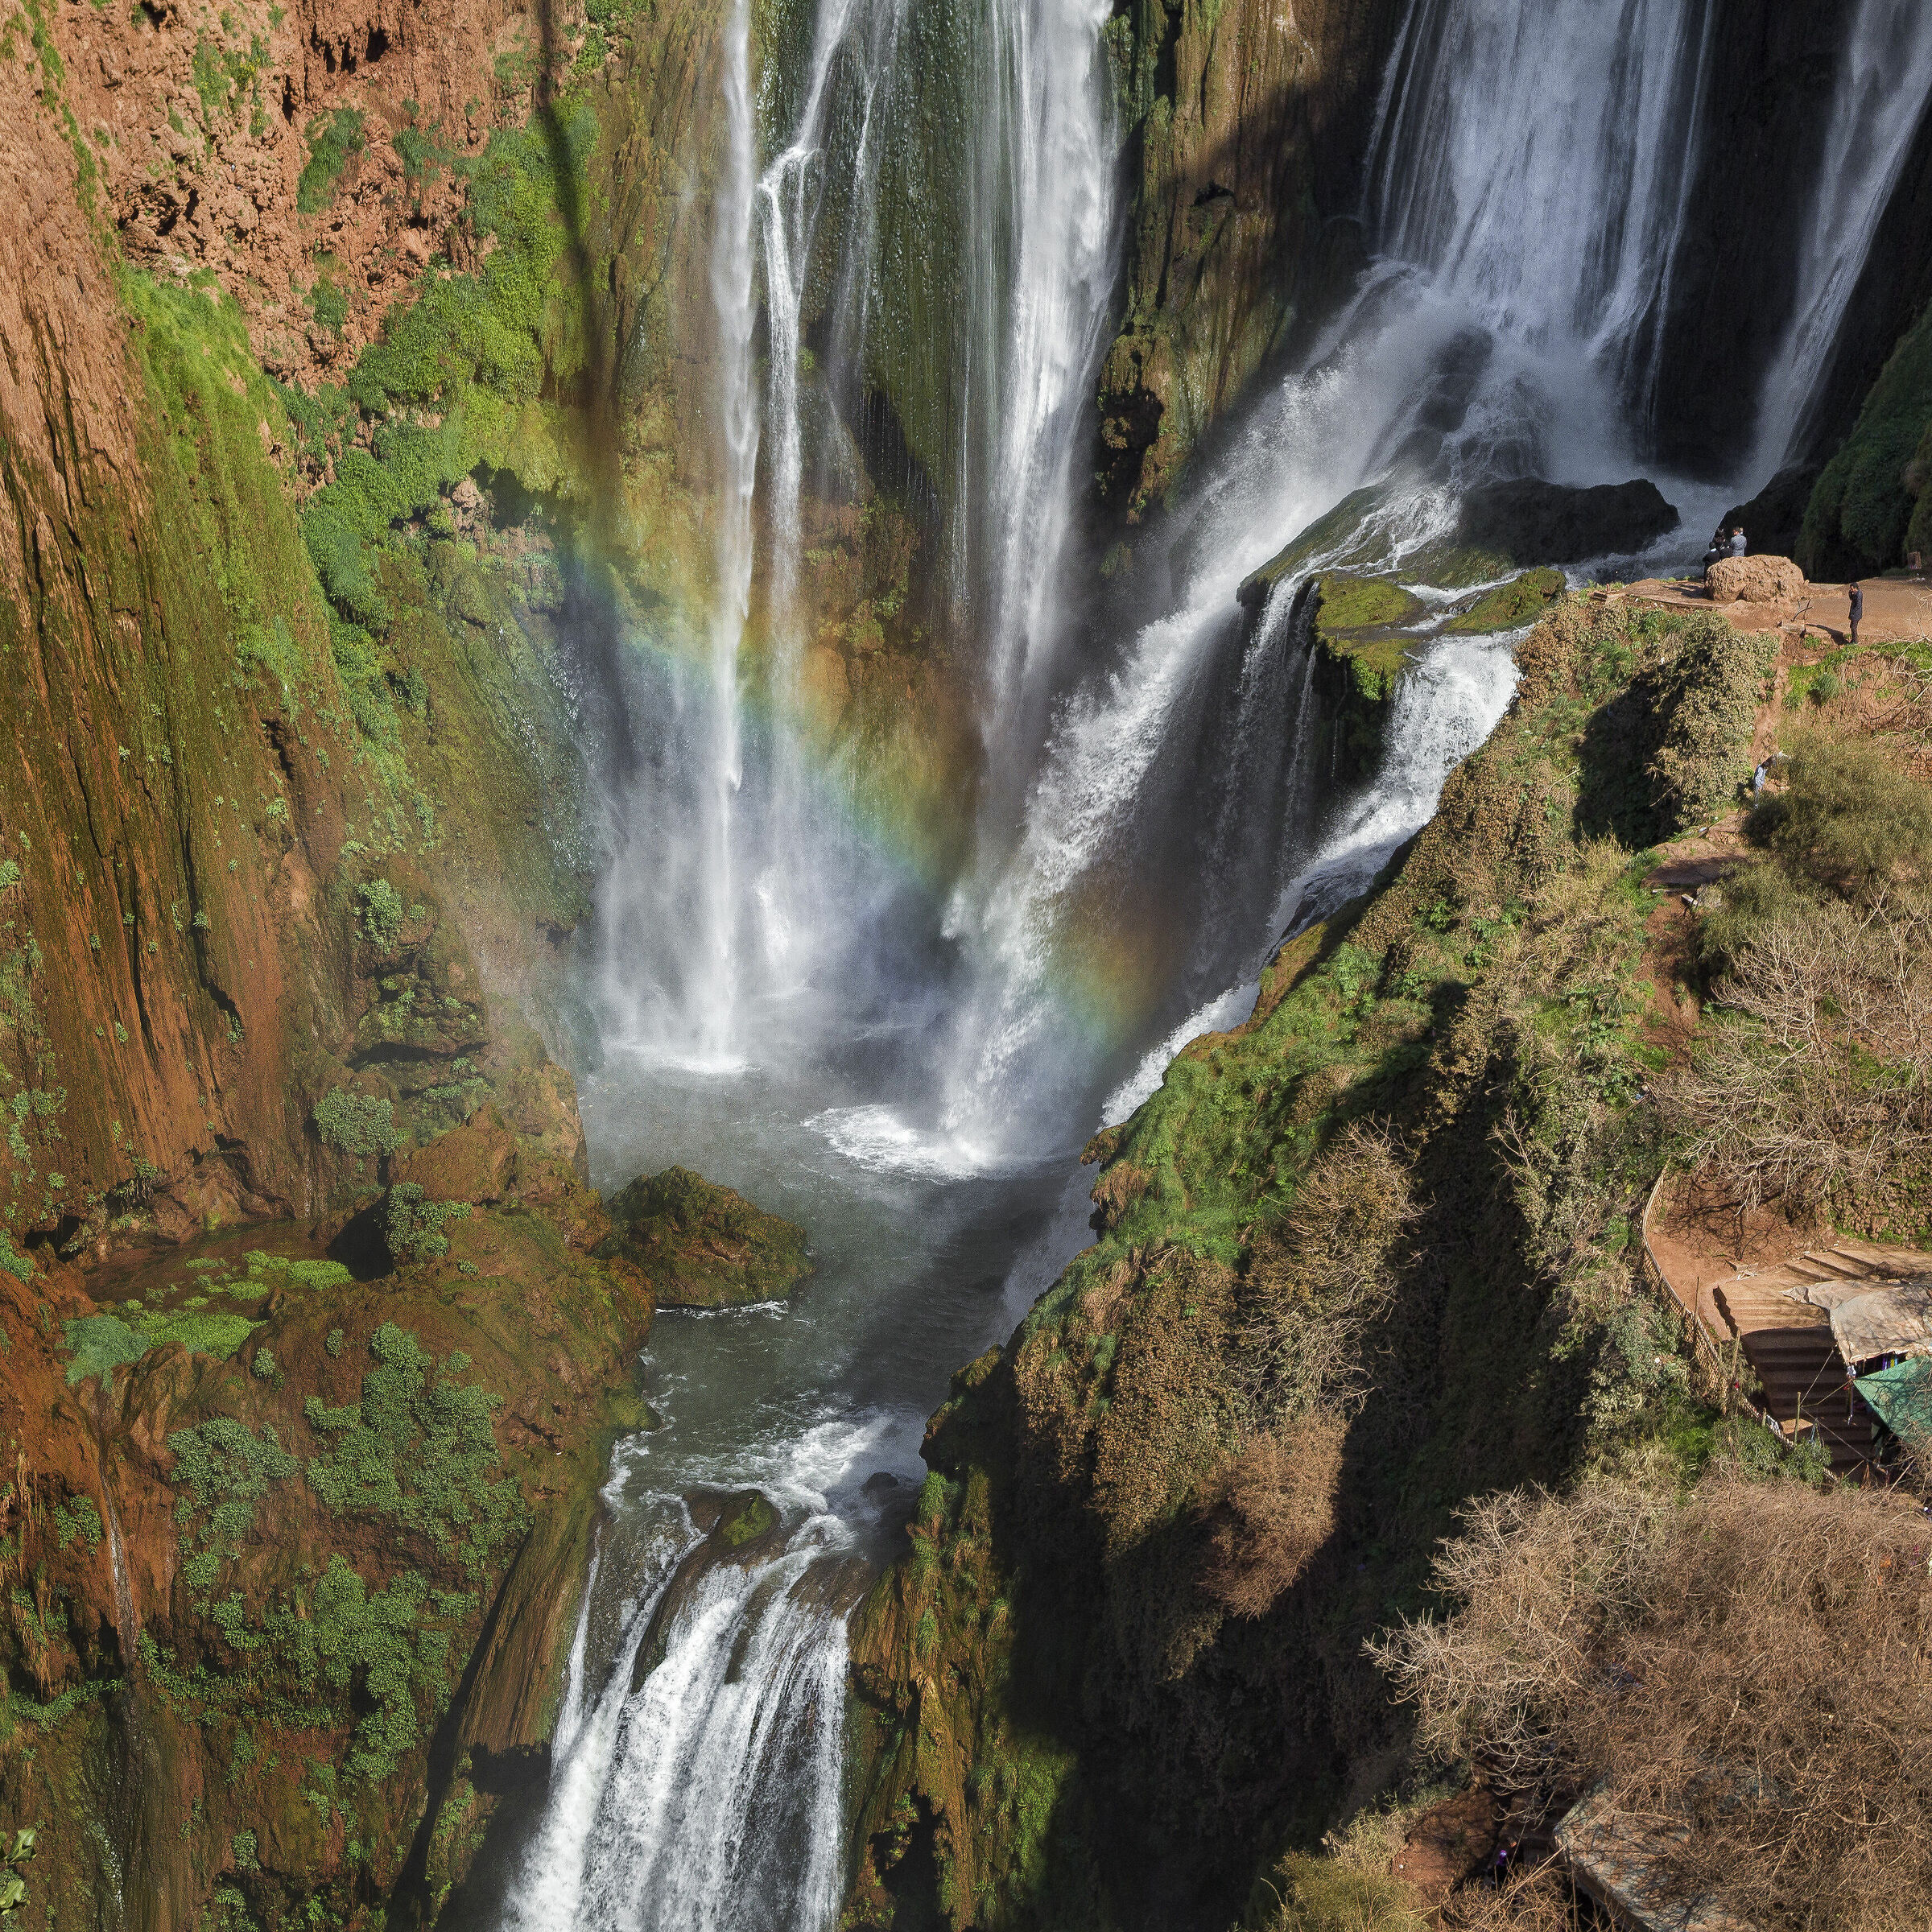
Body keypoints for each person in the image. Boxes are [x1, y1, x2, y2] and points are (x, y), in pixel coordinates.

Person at [1848, 580, 1864, 646]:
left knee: (1853, 627)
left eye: (1852, 589)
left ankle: (1855, 641)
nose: (1851, 590)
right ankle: (1854, 639)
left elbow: (1858, 605)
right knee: (1852, 626)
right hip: (1855, 613)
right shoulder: (1855, 593)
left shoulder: (1859, 594)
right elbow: (1852, 599)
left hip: (1856, 614)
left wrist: (1853, 613)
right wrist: (1850, 594)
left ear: (1855, 588)